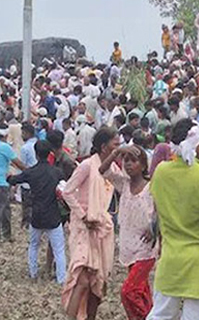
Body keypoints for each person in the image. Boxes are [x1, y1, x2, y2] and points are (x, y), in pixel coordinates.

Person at [147, 119, 199, 320]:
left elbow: (158, 212)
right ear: (196, 144)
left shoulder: (161, 173)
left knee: (161, 314)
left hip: (170, 259)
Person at [61, 127, 128, 320]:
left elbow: (124, 185)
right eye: (115, 145)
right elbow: (67, 192)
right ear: (104, 146)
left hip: (102, 227)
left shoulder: (112, 168)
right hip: (83, 227)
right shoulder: (86, 165)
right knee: (82, 278)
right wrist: (83, 216)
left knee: (97, 283)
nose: (117, 148)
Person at [10, 140, 67, 284]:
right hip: (53, 215)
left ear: (36, 154)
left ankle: (33, 273)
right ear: (49, 154)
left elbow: (14, 180)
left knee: (34, 245)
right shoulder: (57, 172)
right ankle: (62, 279)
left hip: (36, 214)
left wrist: (7, 175)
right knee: (59, 249)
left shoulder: (31, 172)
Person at [118, 146, 157, 320]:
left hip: (145, 249)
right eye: (126, 160)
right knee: (141, 290)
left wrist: (155, 229)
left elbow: (163, 210)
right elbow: (102, 170)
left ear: (143, 165)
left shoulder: (151, 187)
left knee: (129, 291)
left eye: (133, 161)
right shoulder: (124, 185)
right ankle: (153, 315)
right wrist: (116, 152)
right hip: (128, 246)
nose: (129, 164)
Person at [0, 123, 25, 247]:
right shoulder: (5, 147)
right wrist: (29, 172)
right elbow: (17, 163)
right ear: (6, 135)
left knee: (5, 208)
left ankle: (7, 234)